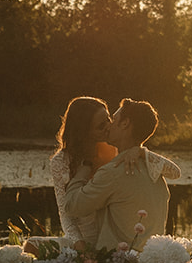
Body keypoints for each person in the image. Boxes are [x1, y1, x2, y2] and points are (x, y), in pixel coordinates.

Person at [64, 98, 177, 251]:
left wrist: (85, 167)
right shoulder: (156, 170)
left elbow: (72, 206)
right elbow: (176, 172)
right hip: (151, 260)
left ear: (125, 123)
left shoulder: (112, 172)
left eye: (114, 119)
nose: (109, 125)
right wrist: (141, 151)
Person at [49, 97, 114, 242]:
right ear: (83, 131)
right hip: (82, 239)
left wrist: (138, 151)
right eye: (101, 125)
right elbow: (65, 212)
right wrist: (79, 243)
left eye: (109, 119)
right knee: (31, 245)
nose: (108, 127)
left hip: (113, 239)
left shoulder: (116, 150)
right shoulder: (61, 161)